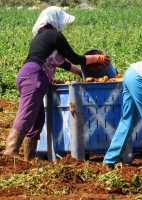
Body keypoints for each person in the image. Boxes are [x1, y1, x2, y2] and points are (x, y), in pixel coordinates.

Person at [3, 6, 110, 161]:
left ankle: (28, 159)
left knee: (37, 119)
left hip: (27, 75)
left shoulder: (42, 38)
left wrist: (80, 73)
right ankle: (10, 151)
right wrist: (97, 59)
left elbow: (64, 63)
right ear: (55, 20)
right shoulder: (54, 35)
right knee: (26, 113)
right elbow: (75, 58)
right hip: (35, 76)